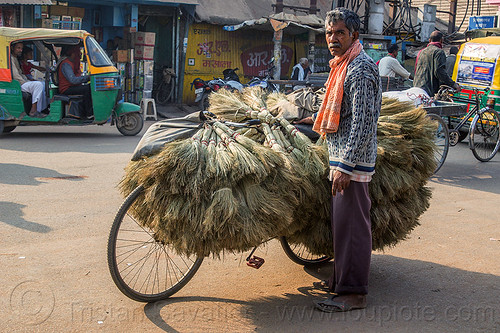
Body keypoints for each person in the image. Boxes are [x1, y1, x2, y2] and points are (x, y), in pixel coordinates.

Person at [296, 8, 381, 312]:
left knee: (353, 228)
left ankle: (353, 293)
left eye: (340, 33)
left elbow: (363, 123)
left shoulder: (360, 69)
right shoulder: (342, 65)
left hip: (352, 163)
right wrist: (314, 117)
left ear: (354, 35)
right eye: (329, 33)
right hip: (342, 156)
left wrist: (345, 166)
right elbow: (341, 110)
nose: (333, 38)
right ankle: (340, 282)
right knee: (342, 226)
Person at [414, 30, 459, 96]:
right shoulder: (439, 52)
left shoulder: (421, 52)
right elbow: (439, 71)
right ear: (441, 40)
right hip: (428, 90)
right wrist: (453, 84)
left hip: (417, 87)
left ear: (429, 40)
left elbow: (416, 69)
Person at [10, 42, 49, 117]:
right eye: (18, 48)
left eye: (21, 48)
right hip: (18, 84)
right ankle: (33, 110)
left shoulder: (15, 58)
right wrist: (26, 82)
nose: (20, 50)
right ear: (12, 48)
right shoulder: (11, 59)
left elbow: (21, 74)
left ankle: (42, 109)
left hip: (22, 81)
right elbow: (16, 76)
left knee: (43, 84)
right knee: (38, 85)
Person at [58, 45, 93, 119]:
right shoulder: (66, 64)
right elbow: (73, 80)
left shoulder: (72, 63)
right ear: (72, 53)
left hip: (73, 87)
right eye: (78, 52)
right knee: (88, 89)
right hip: (66, 89)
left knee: (89, 87)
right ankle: (89, 113)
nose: (80, 55)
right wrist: (87, 78)